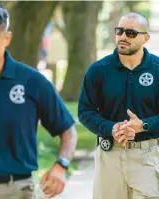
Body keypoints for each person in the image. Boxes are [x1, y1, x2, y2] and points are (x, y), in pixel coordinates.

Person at [0, 2, 77, 199]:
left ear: (7, 38)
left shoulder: (32, 82)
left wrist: (61, 165)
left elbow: (68, 131)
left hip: (15, 190)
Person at [78, 12, 159, 199]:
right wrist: (112, 128)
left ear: (145, 38)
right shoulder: (99, 70)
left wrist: (143, 125)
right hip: (110, 156)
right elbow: (85, 111)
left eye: (130, 33)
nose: (123, 36)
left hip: (148, 157)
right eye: (120, 31)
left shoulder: (157, 69)